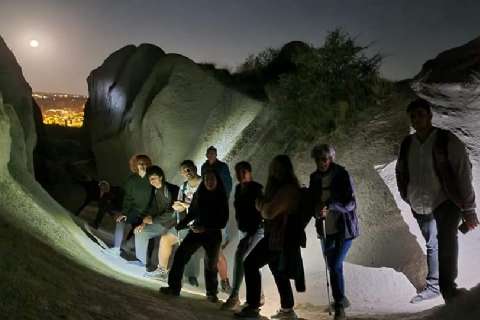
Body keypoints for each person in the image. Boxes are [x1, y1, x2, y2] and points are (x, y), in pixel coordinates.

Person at [396, 98, 478, 304]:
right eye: (413, 116)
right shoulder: (408, 143)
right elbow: (401, 171)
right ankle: (433, 286)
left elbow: (462, 172)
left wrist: (469, 208)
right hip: (418, 203)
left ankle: (448, 290)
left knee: (447, 242)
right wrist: (406, 195)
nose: (416, 119)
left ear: (430, 116)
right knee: (432, 244)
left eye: (420, 115)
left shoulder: (445, 139)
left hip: (445, 200)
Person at [235, 155, 304, 320]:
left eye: (278, 169)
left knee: (250, 263)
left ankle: (253, 307)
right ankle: (287, 310)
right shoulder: (284, 188)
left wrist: (260, 205)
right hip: (278, 236)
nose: (275, 172)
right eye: (274, 169)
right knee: (278, 272)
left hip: (279, 237)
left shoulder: (287, 190)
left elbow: (268, 212)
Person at [160, 170, 229, 302]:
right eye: (207, 179)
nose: (209, 182)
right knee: (180, 255)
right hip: (197, 230)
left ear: (217, 181)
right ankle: (173, 288)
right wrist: (180, 225)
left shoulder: (221, 196)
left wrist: (205, 227)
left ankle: (211, 293)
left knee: (211, 263)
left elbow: (223, 221)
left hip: (212, 234)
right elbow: (192, 212)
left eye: (212, 179)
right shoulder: (200, 193)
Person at [309, 144, 359, 320]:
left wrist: (330, 205)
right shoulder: (314, 178)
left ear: (331, 159)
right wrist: (316, 211)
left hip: (343, 228)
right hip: (325, 229)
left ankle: (339, 305)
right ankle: (341, 300)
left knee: (335, 264)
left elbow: (351, 204)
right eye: (317, 159)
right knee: (333, 266)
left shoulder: (342, 174)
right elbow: (312, 201)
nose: (320, 163)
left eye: (324, 159)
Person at [222, 161, 264, 310]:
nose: (240, 175)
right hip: (244, 230)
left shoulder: (256, 188)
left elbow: (259, 211)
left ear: (249, 172)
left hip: (256, 230)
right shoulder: (239, 188)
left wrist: (252, 231)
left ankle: (234, 296)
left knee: (241, 257)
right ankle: (259, 296)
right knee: (250, 261)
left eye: (243, 171)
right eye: (238, 172)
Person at [134, 165, 179, 276]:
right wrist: (143, 223)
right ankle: (143, 263)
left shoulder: (173, 189)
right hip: (160, 222)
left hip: (173, 223)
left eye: (154, 178)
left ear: (161, 177)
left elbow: (173, 213)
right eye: (150, 179)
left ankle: (164, 270)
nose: (152, 181)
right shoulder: (155, 191)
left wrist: (153, 220)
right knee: (139, 232)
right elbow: (152, 208)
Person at [105, 154, 152, 257]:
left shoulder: (152, 179)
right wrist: (124, 212)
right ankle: (116, 249)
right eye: (140, 164)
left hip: (148, 213)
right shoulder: (132, 179)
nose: (143, 166)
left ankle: (128, 246)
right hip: (134, 211)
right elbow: (128, 198)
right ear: (136, 165)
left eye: (145, 164)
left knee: (144, 230)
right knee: (120, 220)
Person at [201, 146, 233, 290]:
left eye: (213, 153)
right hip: (206, 213)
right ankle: (216, 284)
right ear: (207, 155)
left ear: (216, 154)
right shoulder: (204, 166)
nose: (211, 155)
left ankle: (223, 282)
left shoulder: (222, 167)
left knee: (217, 252)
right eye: (209, 153)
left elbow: (227, 184)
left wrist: (221, 198)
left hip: (218, 209)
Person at [168, 160, 203, 286]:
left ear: (195, 168)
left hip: (203, 223)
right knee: (180, 247)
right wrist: (178, 206)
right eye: (184, 171)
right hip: (187, 222)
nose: (187, 172)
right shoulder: (183, 187)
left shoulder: (204, 183)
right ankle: (179, 277)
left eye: (189, 169)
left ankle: (192, 276)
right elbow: (180, 205)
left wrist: (185, 204)